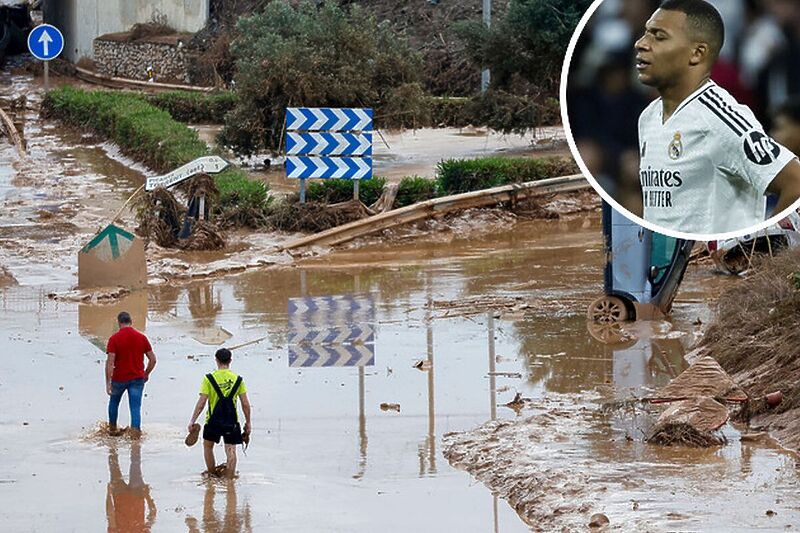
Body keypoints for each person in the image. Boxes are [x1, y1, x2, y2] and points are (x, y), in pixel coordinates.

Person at [634, 0, 800, 234]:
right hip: (664, 266)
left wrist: (761, 249)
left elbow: (795, 181)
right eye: (645, 34)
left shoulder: (720, 118)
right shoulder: (648, 117)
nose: (641, 44)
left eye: (658, 36)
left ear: (697, 53)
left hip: (713, 269)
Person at [187, 348, 252, 478]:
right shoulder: (238, 380)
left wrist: (192, 421)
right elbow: (245, 404)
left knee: (208, 447)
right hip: (231, 421)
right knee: (231, 451)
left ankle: (212, 475)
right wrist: (248, 422)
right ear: (230, 361)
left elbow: (201, 403)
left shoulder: (208, 379)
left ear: (216, 360)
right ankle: (229, 480)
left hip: (212, 421)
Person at [106, 311, 156, 438]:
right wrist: (146, 373)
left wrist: (108, 383)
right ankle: (135, 435)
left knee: (114, 403)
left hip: (119, 378)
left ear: (119, 323)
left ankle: (112, 430)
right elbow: (153, 359)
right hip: (137, 378)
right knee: (135, 407)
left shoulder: (114, 339)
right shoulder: (141, 337)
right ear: (131, 322)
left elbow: (110, 363)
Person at [106, 442, 156, 532]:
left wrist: (147, 496)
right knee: (114, 463)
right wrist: (109, 493)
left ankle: (130, 439)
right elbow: (110, 515)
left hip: (135, 495)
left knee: (135, 461)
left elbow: (152, 514)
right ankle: (114, 440)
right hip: (124, 495)